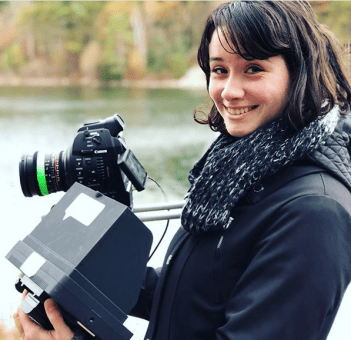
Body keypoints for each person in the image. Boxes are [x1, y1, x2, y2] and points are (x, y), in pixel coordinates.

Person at [15, 1, 351, 339]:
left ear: (300, 73)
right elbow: (198, 293)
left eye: (253, 68)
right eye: (220, 70)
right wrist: (85, 263)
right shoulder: (236, 172)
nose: (230, 91)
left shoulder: (315, 213)